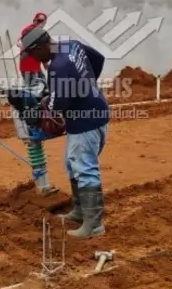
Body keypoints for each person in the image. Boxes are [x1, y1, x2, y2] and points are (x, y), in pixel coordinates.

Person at [21, 26, 110, 239]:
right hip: (95, 111)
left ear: (40, 48)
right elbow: (98, 58)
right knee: (72, 164)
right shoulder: (70, 44)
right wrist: (87, 85)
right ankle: (80, 212)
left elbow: (57, 105)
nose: (35, 60)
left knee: (85, 168)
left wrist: (40, 110)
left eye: (33, 55)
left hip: (85, 122)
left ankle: (94, 225)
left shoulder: (58, 67)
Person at [18, 11, 48, 90]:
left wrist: (19, 42)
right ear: (34, 20)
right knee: (36, 90)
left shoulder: (29, 30)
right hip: (29, 68)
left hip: (34, 66)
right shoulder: (33, 32)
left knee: (43, 86)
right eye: (39, 20)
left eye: (42, 21)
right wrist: (46, 65)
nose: (40, 23)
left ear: (45, 22)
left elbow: (20, 39)